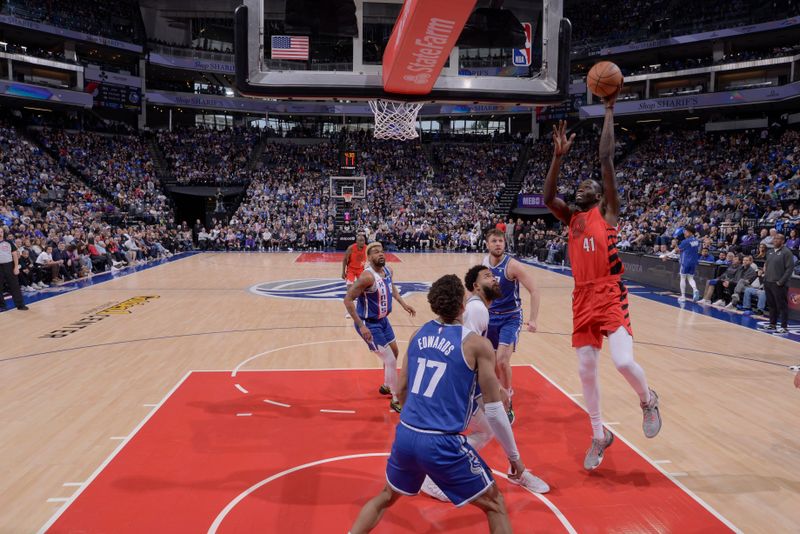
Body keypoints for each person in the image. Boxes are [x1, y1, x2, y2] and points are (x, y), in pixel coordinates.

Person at [350, 275, 529, 534]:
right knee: (495, 504)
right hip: (441, 443)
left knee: (386, 497)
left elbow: (400, 389)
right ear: (463, 304)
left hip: (407, 433)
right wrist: (514, 457)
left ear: (434, 304)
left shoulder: (417, 334)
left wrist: (419, 417)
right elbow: (494, 409)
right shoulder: (477, 345)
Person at [543, 109, 661, 471]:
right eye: (579, 186)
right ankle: (599, 435)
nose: (582, 187)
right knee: (585, 370)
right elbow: (549, 197)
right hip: (581, 297)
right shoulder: (571, 217)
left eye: (588, 186)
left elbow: (607, 158)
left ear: (600, 195)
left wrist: (609, 110)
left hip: (609, 292)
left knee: (623, 360)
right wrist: (556, 158)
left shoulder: (607, 213)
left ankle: (647, 398)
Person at [420, 265, 549, 501]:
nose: (495, 278)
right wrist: (491, 385)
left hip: (456, 380)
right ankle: (516, 469)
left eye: (494, 274)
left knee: (488, 428)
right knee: (494, 414)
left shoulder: (476, 308)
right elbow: (463, 351)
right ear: (476, 286)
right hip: (456, 384)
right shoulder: (478, 309)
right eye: (488, 276)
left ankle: (515, 468)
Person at [344, 242, 416, 412]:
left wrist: (404, 304)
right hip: (369, 323)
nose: (380, 254)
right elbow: (347, 300)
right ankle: (396, 398)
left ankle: (386, 385)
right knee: (390, 359)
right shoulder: (366, 277)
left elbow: (393, 290)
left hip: (384, 321)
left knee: (395, 353)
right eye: (375, 252)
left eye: (382, 251)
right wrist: (361, 326)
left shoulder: (389, 271)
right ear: (368, 258)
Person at [483, 228, 540, 423]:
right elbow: (474, 290)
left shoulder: (513, 266)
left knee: (501, 361)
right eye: (494, 241)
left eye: (501, 241)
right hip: (490, 318)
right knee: (490, 362)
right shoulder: (483, 266)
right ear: (487, 244)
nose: (498, 244)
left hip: (510, 318)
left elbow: (534, 290)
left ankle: (507, 403)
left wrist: (533, 319)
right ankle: (497, 393)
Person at [761, 233, 794, 334]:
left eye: (777, 239)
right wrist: (765, 278)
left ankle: (784, 326)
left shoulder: (787, 252)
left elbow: (789, 269)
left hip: (779, 284)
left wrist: (781, 282)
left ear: (782, 241)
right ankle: (772, 324)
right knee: (772, 305)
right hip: (768, 282)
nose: (775, 240)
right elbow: (767, 265)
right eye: (774, 239)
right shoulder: (770, 252)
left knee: (782, 306)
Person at [0, 228, 28, 311]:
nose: (0, 233)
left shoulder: (8, 242)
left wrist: (16, 267)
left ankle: (20, 305)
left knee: (15, 286)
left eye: (1, 232)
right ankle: (2, 305)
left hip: (9, 265)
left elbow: (15, 255)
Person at [342, 233, 367, 319]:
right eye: (360, 240)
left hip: (360, 270)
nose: (362, 242)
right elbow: (345, 260)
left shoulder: (367, 248)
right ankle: (349, 312)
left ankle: (362, 310)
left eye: (363, 240)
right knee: (350, 291)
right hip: (351, 270)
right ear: (356, 241)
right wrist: (343, 272)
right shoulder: (351, 248)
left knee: (363, 291)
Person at [676, 227, 700, 302]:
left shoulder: (685, 241)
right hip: (693, 262)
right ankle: (695, 289)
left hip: (685, 262)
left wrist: (666, 255)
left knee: (683, 278)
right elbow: (688, 249)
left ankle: (683, 296)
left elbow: (677, 250)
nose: (684, 233)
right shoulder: (697, 241)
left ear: (690, 232)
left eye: (686, 232)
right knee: (690, 278)